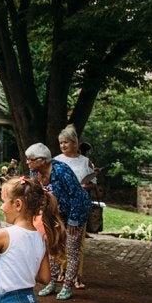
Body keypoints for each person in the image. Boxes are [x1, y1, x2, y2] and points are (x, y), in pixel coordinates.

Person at [27, 143, 90, 300]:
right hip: (54, 213)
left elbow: (76, 195)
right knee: (52, 246)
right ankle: (52, 282)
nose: (28, 162)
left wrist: (74, 220)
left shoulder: (61, 170)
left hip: (75, 213)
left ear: (43, 160)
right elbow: (37, 195)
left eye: (31, 159)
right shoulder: (34, 173)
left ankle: (68, 286)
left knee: (72, 248)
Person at [54, 124, 95, 289]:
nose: (63, 145)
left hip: (78, 207)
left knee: (76, 244)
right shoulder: (56, 160)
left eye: (66, 142)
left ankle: (76, 276)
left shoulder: (85, 161)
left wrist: (87, 186)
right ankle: (60, 272)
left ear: (75, 143)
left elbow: (92, 182)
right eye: (61, 142)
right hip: (60, 206)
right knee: (59, 241)